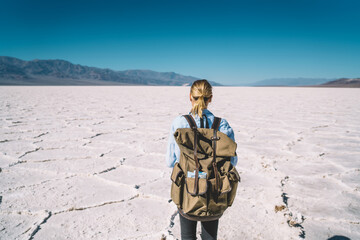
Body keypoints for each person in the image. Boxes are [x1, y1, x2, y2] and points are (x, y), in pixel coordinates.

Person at [166, 79, 237, 240]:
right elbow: (232, 161)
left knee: (187, 236)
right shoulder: (222, 124)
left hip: (187, 190)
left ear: (190, 96)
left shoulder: (179, 123)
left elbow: (170, 161)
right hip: (215, 190)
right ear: (210, 98)